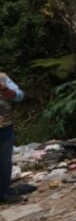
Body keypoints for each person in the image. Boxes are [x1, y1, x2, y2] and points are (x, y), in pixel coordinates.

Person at [1, 71, 26, 204]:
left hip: (4, 126)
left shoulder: (2, 78)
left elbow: (19, 96)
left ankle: (4, 193)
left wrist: (4, 88)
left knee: (4, 162)